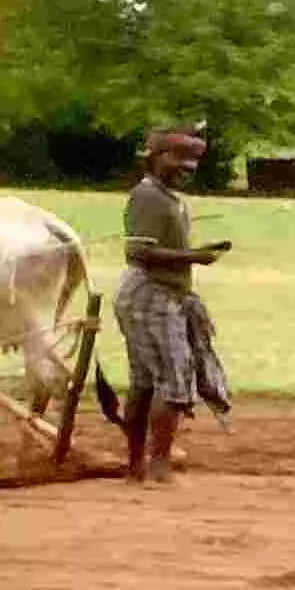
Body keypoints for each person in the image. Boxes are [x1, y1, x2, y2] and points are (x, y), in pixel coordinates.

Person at [116, 127, 232, 486]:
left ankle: (138, 466)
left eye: (193, 160)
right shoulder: (148, 196)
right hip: (151, 295)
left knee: (147, 382)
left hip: (160, 295)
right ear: (154, 157)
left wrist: (193, 255)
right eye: (178, 158)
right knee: (173, 379)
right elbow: (137, 252)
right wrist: (194, 257)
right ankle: (157, 466)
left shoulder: (168, 198)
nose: (188, 166)